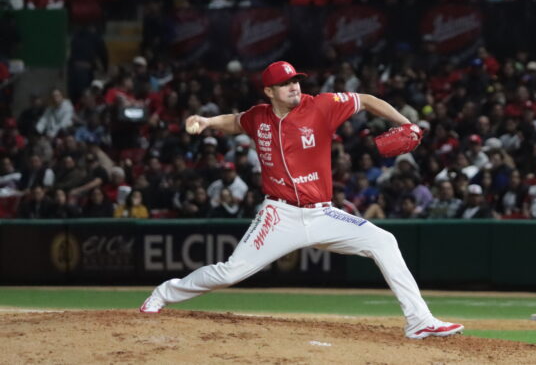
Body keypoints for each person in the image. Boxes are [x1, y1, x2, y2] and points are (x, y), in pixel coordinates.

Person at [138, 61, 463, 340]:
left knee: (384, 241)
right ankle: (163, 294)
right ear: (269, 92)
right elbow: (236, 121)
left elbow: (365, 99)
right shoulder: (259, 117)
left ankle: (419, 322)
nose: (294, 87)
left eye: (295, 80)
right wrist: (207, 122)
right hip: (278, 216)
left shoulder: (321, 105)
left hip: (323, 215)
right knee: (229, 274)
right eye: (285, 83)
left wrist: (404, 124)